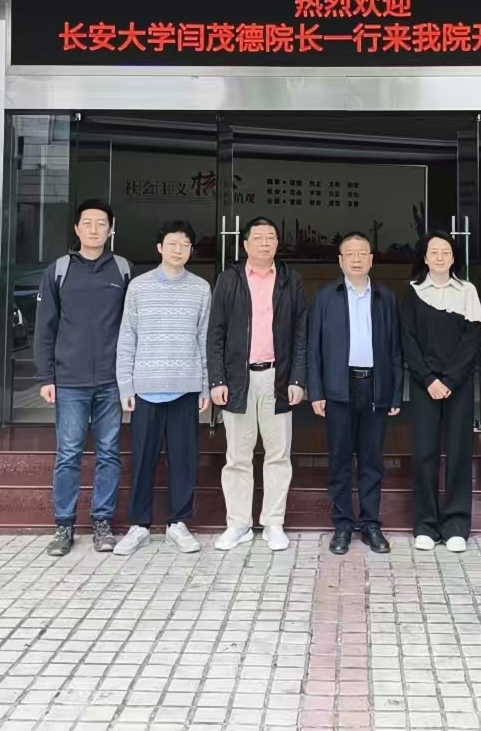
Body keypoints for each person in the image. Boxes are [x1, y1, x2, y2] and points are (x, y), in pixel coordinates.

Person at [35, 199, 132, 557]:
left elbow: (133, 327)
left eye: (101, 223)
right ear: (76, 229)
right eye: (87, 223)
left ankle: (102, 522)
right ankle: (64, 526)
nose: (94, 229)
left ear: (111, 229)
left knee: (109, 453)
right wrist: (46, 375)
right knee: (68, 453)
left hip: (111, 379)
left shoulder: (123, 269)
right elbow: (45, 327)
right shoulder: (59, 270)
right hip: (70, 379)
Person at [206, 217, 309, 552]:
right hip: (238, 378)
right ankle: (238, 523)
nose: (266, 243)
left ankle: (273, 523)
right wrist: (217, 379)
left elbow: (300, 333)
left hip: (277, 377)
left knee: (278, 454)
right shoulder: (229, 279)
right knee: (238, 455)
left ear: (277, 243)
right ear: (245, 244)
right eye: (259, 237)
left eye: (271, 237)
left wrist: (298, 378)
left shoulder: (291, 280)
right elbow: (216, 333)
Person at [113, 220, 213, 557]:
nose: (178, 249)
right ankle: (139, 525)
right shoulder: (139, 287)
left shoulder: (201, 288)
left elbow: (203, 339)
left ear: (191, 250)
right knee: (143, 459)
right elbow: (127, 337)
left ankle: (178, 523)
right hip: (145, 387)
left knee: (184, 459)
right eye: (172, 243)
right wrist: (125, 384)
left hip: (185, 387)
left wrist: (204, 386)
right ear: (159, 248)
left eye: (184, 244)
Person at [308, 232, 403, 555]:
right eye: (350, 254)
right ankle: (343, 524)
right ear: (341, 261)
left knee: (372, 459)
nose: (357, 259)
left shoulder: (385, 297)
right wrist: (316, 391)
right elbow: (315, 348)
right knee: (339, 459)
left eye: (363, 253)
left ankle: (371, 523)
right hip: (339, 387)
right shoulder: (326, 296)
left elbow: (395, 349)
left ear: (372, 259)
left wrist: (395, 393)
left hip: (375, 386)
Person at [402, 231, 481, 554]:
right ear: (424, 258)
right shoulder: (412, 292)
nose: (439, 257)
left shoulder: (467, 291)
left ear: (454, 258)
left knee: (458, 453)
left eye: (446, 252)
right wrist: (428, 379)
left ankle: (456, 525)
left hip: (458, 385)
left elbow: (473, 339)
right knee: (424, 453)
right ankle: (425, 525)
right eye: (433, 252)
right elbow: (407, 339)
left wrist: (450, 379)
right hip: (424, 384)